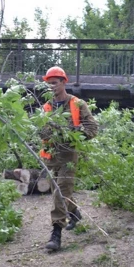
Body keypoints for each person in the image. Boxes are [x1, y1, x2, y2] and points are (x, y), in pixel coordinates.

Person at [39, 66, 98, 251]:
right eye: (48, 85)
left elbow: (92, 128)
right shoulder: (46, 107)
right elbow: (40, 131)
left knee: (60, 191)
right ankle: (75, 213)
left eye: (54, 84)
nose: (51, 88)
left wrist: (72, 133)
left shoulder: (77, 103)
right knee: (63, 191)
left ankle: (56, 234)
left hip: (69, 154)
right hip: (51, 154)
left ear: (64, 82)